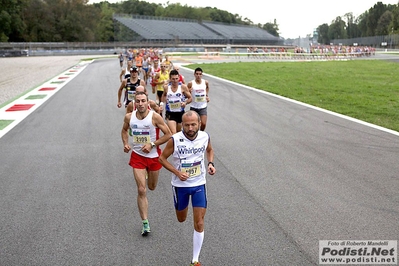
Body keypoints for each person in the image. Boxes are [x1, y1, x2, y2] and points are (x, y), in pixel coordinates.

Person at [159, 110, 216, 266]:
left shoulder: (205, 136)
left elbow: (209, 150)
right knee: (181, 219)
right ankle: (182, 209)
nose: (190, 128)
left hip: (198, 183)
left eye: (193, 124)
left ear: (199, 124)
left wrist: (210, 164)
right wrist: (177, 172)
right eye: (186, 125)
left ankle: (195, 260)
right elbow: (162, 159)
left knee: (199, 222)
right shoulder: (175, 140)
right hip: (180, 186)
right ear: (182, 125)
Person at [121, 91, 172, 236]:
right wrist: (125, 143)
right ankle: (145, 222)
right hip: (137, 156)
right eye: (138, 101)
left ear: (148, 102)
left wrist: (152, 144)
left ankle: (147, 176)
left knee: (152, 187)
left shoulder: (154, 117)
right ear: (134, 103)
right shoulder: (129, 117)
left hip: (154, 156)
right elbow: (124, 130)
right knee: (142, 190)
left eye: (143, 100)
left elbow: (168, 134)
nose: (141, 103)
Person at [161, 69, 192, 134]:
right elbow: (163, 95)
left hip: (180, 112)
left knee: (179, 132)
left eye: (176, 78)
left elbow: (190, 98)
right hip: (170, 112)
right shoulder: (167, 87)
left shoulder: (183, 87)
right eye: (173, 79)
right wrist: (162, 104)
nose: (175, 81)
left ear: (179, 78)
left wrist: (185, 103)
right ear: (170, 79)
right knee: (173, 133)